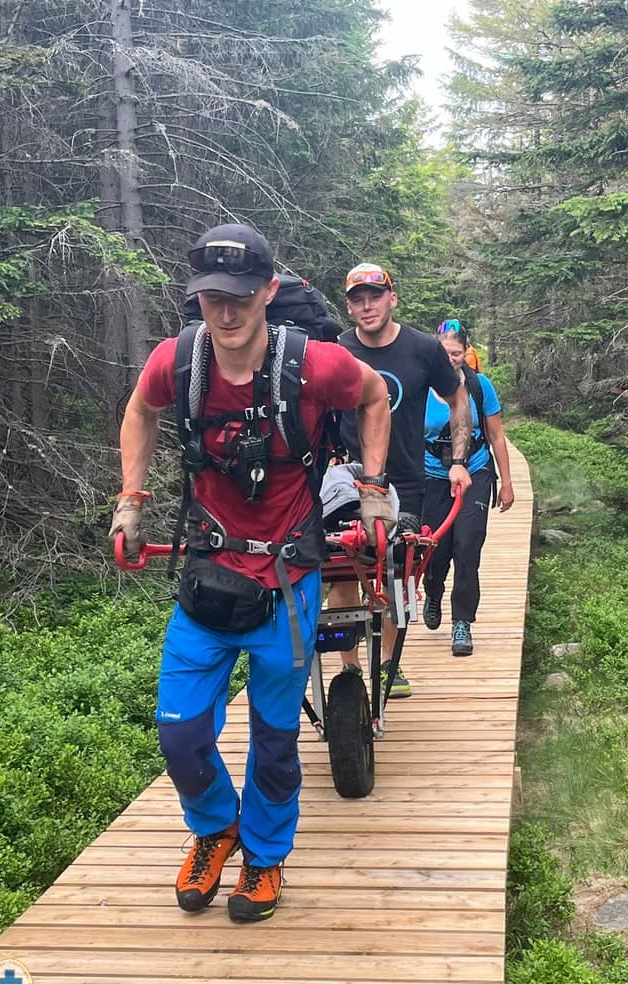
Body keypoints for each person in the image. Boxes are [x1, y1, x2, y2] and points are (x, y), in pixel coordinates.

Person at [109, 224, 393, 922]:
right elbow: (140, 409)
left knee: (274, 739)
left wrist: (373, 488)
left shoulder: (315, 365)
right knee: (179, 735)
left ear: (268, 290)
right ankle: (216, 829)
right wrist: (130, 499)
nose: (226, 312)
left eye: (240, 296)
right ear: (198, 297)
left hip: (287, 583)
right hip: (207, 575)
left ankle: (264, 857)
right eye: (212, 297)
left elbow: (374, 398)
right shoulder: (179, 362)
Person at [326, 263, 472, 697]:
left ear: (392, 298)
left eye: (375, 296)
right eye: (357, 299)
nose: (367, 306)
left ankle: (388, 664)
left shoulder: (423, 349)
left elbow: (458, 399)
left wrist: (458, 460)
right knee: (342, 572)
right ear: (349, 307)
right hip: (346, 481)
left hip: (406, 479)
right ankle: (350, 670)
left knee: (398, 572)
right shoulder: (336, 350)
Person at [422, 319, 515, 656]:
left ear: (467, 352)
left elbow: (496, 435)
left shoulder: (479, 385)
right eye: (445, 352)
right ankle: (433, 590)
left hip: (475, 471)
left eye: (457, 353)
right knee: (435, 549)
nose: (451, 359)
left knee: (467, 547)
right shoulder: (422, 384)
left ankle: (462, 621)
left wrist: (507, 482)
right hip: (431, 474)